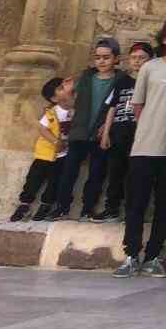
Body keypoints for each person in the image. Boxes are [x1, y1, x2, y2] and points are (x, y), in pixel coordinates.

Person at [115, 16, 166, 278]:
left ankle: (152, 255)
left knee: (165, 205)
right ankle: (130, 254)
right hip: (144, 147)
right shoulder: (150, 67)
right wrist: (150, 127)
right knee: (136, 204)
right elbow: (138, 105)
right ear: (164, 37)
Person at [55, 37, 129, 219]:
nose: (101, 61)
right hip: (79, 131)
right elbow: (69, 100)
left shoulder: (121, 79)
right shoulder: (86, 77)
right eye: (98, 57)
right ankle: (61, 207)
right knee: (68, 172)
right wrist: (66, 92)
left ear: (116, 59)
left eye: (106, 57)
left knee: (96, 174)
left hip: (100, 133)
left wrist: (107, 127)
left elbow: (119, 105)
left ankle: (87, 208)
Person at [97, 40, 151, 221]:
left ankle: (133, 211)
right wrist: (106, 133)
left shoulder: (152, 82)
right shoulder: (121, 82)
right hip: (119, 132)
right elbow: (112, 107)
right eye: (134, 58)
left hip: (140, 134)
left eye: (142, 58)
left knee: (135, 175)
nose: (137, 61)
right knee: (115, 173)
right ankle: (111, 208)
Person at [10, 76, 70, 222]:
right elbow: (43, 129)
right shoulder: (52, 112)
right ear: (54, 98)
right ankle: (25, 203)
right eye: (61, 88)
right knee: (34, 179)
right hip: (45, 153)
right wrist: (56, 142)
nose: (67, 89)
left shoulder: (76, 110)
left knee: (55, 182)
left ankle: (46, 205)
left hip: (63, 156)